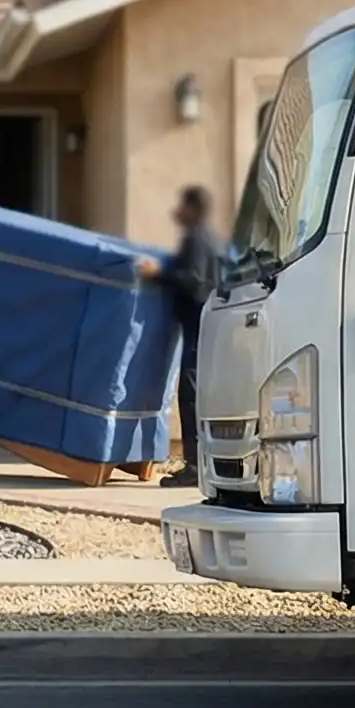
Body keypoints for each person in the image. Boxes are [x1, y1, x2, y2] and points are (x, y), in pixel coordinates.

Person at [137, 185, 223, 486]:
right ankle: (198, 464)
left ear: (193, 209)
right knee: (193, 395)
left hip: (198, 328)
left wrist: (157, 274)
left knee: (191, 396)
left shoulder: (198, 239)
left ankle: (195, 468)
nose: (178, 211)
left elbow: (194, 280)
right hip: (201, 327)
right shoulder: (203, 238)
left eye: (182, 206)